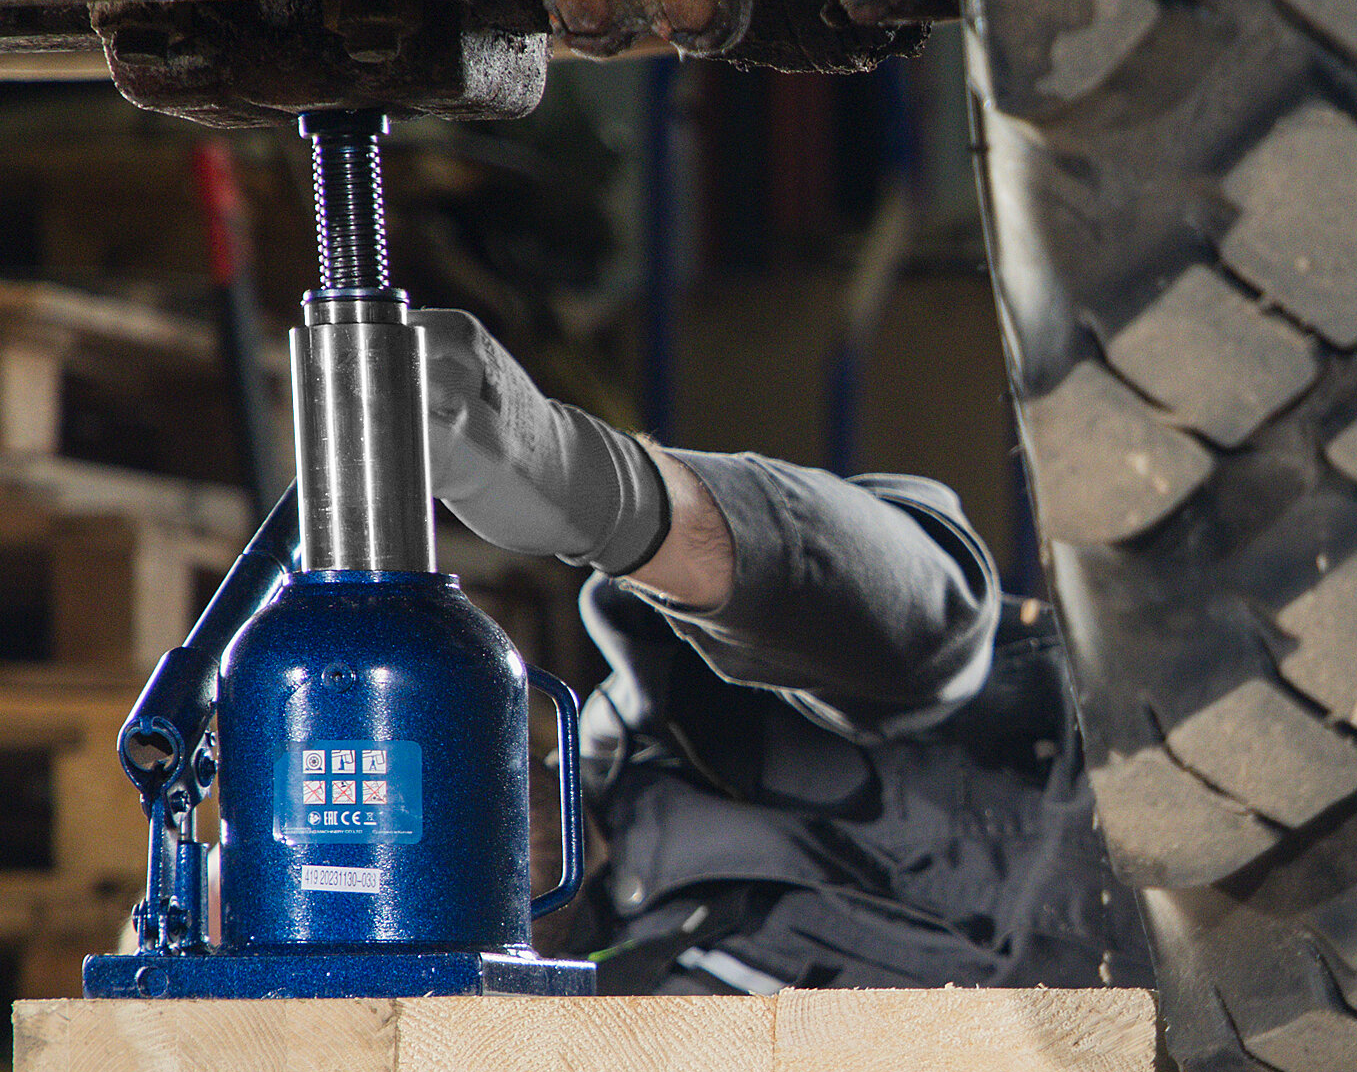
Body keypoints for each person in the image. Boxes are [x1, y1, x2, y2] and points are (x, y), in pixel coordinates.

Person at [415, 308, 1152, 995]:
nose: (389, 825)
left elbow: (934, 626)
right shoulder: (633, 1052)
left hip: (1185, 744)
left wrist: (600, 492)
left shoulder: (669, 664)